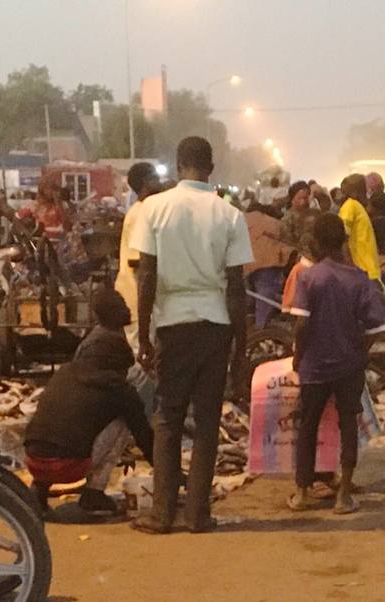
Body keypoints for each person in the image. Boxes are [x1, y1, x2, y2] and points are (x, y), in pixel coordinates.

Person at [131, 136, 254, 535]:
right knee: (206, 421)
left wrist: (145, 334)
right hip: (215, 324)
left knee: (167, 417)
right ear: (211, 168)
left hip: (172, 323)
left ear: (178, 163)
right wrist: (241, 348)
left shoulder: (153, 209)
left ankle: (162, 514)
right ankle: (198, 514)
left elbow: (145, 275)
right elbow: (236, 289)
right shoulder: (230, 215)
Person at [288, 213, 385, 515]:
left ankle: (302, 492)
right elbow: (376, 330)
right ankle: (344, 493)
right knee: (348, 425)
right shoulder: (360, 278)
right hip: (349, 366)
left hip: (314, 366)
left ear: (316, 242)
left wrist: (298, 357)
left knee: (307, 425)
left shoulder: (308, 277)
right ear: (343, 241)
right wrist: (357, 350)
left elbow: (301, 326)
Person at [24, 289, 154, 518]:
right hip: (68, 467)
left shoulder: (66, 371)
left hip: (33, 460)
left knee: (60, 423)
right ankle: (94, 491)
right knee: (125, 421)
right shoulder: (120, 389)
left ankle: (38, 490)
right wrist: (170, 476)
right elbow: (144, 437)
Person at [115, 162, 163, 351]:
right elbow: (139, 263)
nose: (159, 182)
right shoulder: (142, 212)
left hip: (141, 297)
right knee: (140, 357)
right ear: (146, 182)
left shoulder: (143, 209)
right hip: (136, 297)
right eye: (155, 178)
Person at [244, 203, 291, 327]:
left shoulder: (239, 220)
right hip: (269, 263)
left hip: (243, 264)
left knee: (247, 294)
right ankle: (261, 327)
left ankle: (248, 325)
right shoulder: (275, 223)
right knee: (265, 295)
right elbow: (287, 245)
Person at [337, 173, 381, 284]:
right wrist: (350, 268)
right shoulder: (350, 206)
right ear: (355, 192)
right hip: (362, 272)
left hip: (367, 271)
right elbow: (343, 239)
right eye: (363, 188)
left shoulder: (357, 206)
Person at [279, 180, 316, 261]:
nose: (303, 202)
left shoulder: (315, 214)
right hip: (299, 260)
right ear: (292, 199)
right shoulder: (287, 218)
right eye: (299, 198)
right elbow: (286, 244)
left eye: (305, 198)